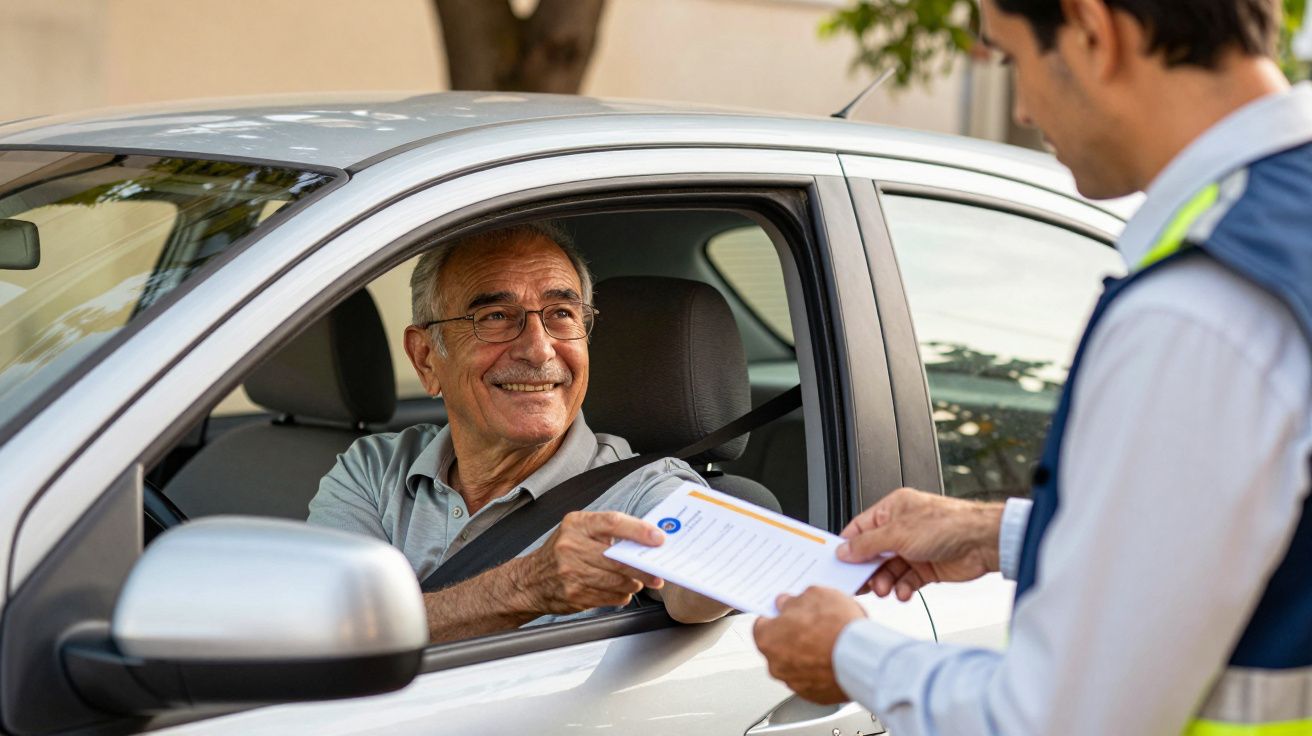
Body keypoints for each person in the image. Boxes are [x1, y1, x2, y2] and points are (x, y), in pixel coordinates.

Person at [753, 0, 1312, 733]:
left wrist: (848, 652)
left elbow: (1057, 720)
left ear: (1091, 29)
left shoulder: (1197, 310)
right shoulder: (1284, 228)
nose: (1018, 108)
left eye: (1011, 57)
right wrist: (999, 533)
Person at [309, 222, 730, 642]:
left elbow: (705, 573)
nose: (538, 349)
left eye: (562, 314)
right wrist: (526, 586)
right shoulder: (374, 470)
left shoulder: (642, 490)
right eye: (495, 317)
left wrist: (720, 569)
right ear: (425, 358)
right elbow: (326, 632)